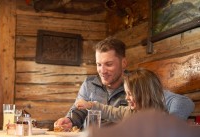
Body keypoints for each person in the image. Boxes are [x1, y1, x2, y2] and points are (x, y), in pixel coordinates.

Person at [54, 37, 195, 130]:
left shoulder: (137, 84)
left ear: (124, 63)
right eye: (98, 64)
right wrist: (69, 120)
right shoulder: (89, 83)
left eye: (108, 64)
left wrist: (171, 127)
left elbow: (183, 102)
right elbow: (78, 110)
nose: (102, 71)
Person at [75, 68, 166, 121]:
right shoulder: (129, 112)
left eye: (130, 94)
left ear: (145, 94)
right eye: (126, 93)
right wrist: (90, 105)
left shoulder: (160, 120)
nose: (127, 98)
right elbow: (109, 111)